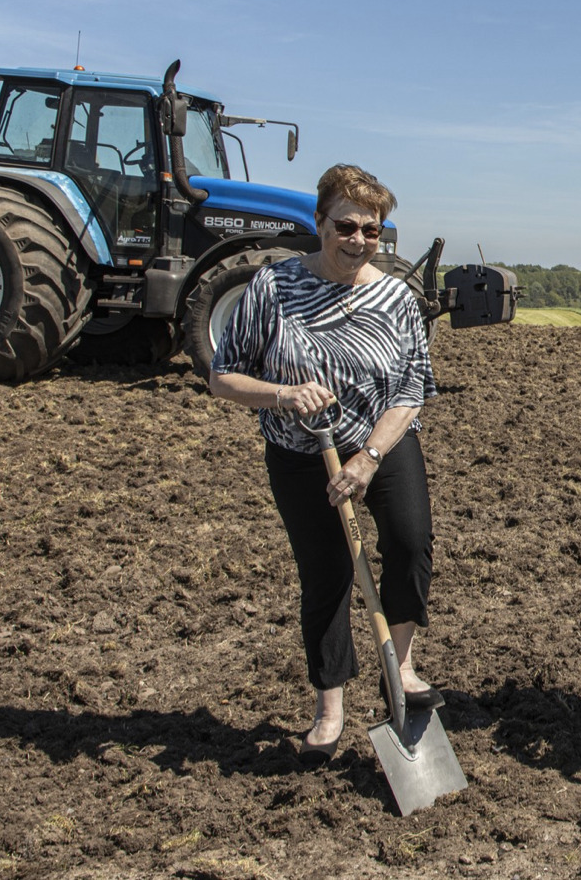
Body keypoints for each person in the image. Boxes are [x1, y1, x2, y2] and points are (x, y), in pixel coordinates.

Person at [209, 164, 442, 766]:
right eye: (346, 226)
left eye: (372, 229)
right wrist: (282, 394)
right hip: (301, 450)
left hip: (380, 442)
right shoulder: (273, 287)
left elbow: (412, 390)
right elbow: (223, 376)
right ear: (319, 223)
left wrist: (368, 459)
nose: (359, 239)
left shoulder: (397, 298)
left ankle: (400, 667)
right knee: (327, 573)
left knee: (411, 542)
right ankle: (330, 705)